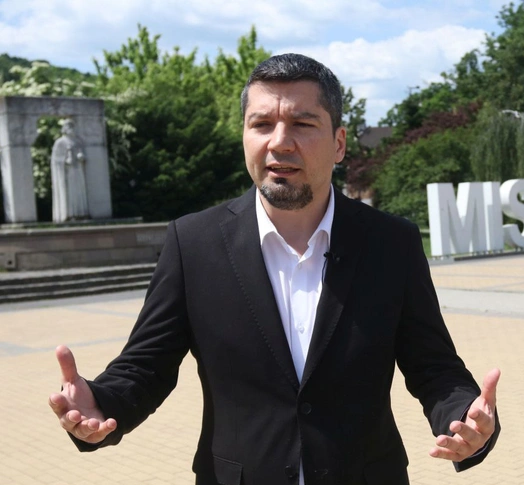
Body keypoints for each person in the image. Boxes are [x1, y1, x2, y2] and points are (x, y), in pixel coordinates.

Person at [49, 53, 500, 485]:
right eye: (261, 124)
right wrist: (101, 401)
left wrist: (463, 416)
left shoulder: (391, 242)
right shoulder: (194, 243)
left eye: (303, 124)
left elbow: (433, 366)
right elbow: (146, 367)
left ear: (339, 143)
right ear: (245, 136)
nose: (279, 142)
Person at [51, 118, 89, 222]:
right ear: (65, 128)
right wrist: (65, 161)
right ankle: (69, 214)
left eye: (73, 126)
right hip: (67, 173)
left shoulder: (78, 141)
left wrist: (81, 157)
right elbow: (55, 159)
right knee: (68, 194)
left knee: (78, 192)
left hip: (78, 171)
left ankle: (81, 213)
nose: (72, 129)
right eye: (69, 126)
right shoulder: (59, 142)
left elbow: (82, 155)